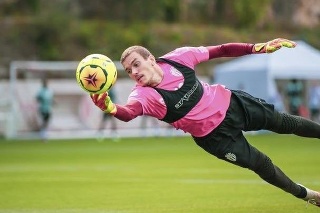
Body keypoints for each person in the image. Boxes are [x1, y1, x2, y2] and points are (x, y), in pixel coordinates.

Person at [90, 38, 320, 207]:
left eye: (137, 64)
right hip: (215, 138)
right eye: (129, 71)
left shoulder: (179, 58)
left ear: (151, 59)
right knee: (261, 163)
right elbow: (129, 112)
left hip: (232, 105)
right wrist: (110, 107)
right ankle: (307, 195)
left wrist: (257, 48)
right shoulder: (143, 95)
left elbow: (220, 50)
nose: (134, 72)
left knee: (285, 123)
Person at [36, 77, 54, 142]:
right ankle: (42, 136)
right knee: (44, 122)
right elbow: (37, 98)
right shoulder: (41, 91)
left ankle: (44, 135)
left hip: (48, 109)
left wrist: (53, 102)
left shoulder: (49, 91)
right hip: (42, 109)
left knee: (46, 122)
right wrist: (42, 100)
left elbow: (51, 99)